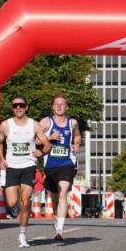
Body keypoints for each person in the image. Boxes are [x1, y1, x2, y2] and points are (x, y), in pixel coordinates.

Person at [0, 94, 51, 248]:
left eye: (21, 105)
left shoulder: (34, 125)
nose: (18, 108)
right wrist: (1, 159)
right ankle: (16, 209)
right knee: (12, 202)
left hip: (29, 166)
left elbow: (47, 144)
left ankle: (22, 234)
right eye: (15, 105)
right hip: (12, 168)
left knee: (25, 201)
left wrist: (41, 152)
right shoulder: (5, 125)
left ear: (26, 107)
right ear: (12, 108)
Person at [39, 95, 82, 242]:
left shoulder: (72, 123)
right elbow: (34, 139)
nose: (58, 106)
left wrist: (76, 144)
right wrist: (49, 138)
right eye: (56, 104)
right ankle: (57, 219)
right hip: (50, 165)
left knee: (63, 192)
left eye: (62, 104)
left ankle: (60, 230)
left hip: (67, 163)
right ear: (52, 107)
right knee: (55, 198)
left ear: (67, 107)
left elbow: (77, 136)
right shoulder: (45, 122)